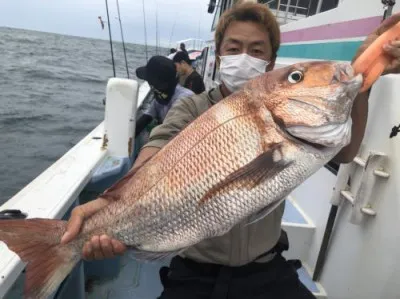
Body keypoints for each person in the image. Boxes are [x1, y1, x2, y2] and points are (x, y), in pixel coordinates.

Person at [61, 4, 400, 299]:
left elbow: (343, 155)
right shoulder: (192, 107)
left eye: (257, 50)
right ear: (220, 53)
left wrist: (363, 84)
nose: (245, 57)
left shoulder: (302, 132)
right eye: (235, 47)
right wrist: (108, 205)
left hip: (265, 268)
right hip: (194, 272)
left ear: (271, 62)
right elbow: (157, 148)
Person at [134, 55, 194, 137]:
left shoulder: (185, 98)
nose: (150, 84)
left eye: (151, 81)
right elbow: (148, 116)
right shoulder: (161, 95)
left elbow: (174, 133)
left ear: (161, 84)